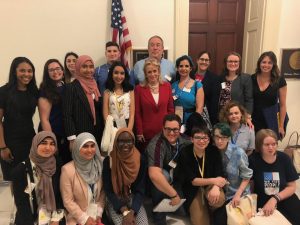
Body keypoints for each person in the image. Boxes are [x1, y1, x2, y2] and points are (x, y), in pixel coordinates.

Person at [174, 126, 226, 225]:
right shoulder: (185, 152)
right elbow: (193, 181)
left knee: (218, 200)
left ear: (209, 140)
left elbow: (220, 174)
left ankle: (210, 207)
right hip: (192, 189)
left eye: (205, 138)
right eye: (198, 138)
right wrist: (215, 181)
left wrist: (215, 187)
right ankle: (204, 208)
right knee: (200, 222)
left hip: (210, 186)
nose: (201, 141)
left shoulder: (214, 151)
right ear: (192, 139)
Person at [11, 131, 64, 225]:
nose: (48, 147)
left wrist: (56, 219)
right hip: (29, 219)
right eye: (43, 143)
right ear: (35, 144)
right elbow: (22, 204)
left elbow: (60, 196)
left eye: (52, 144)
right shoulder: (21, 170)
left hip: (53, 218)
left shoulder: (58, 166)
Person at [146, 114, 190, 225]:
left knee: (183, 214)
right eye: (168, 129)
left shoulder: (185, 140)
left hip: (176, 178)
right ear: (163, 128)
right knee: (162, 176)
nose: (171, 133)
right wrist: (174, 195)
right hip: (157, 179)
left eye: (175, 129)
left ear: (180, 129)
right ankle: (159, 214)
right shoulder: (156, 143)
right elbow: (154, 174)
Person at [249, 129, 300, 224]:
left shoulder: (284, 158)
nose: (271, 147)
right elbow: (250, 186)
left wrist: (275, 199)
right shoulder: (253, 160)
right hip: (263, 200)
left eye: (274, 144)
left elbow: (292, 187)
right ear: (259, 145)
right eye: (267, 145)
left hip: (283, 197)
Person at [0, 57, 38, 180]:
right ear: (14, 72)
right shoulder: (4, 92)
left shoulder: (33, 91)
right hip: (10, 143)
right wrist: (3, 147)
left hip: (30, 140)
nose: (26, 74)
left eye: (29, 71)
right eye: (22, 70)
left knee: (31, 177)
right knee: (14, 179)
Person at [103, 128, 149, 225]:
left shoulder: (141, 160)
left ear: (133, 141)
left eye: (129, 141)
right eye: (121, 141)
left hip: (134, 199)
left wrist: (132, 212)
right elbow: (108, 190)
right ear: (116, 142)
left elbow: (140, 189)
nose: (125, 144)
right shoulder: (109, 161)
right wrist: (124, 211)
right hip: (116, 200)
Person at [60, 132, 105, 225]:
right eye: (85, 146)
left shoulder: (100, 165)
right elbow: (68, 201)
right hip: (77, 217)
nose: (90, 150)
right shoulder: (67, 170)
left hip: (97, 215)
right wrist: (84, 219)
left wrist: (98, 213)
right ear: (77, 148)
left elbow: (102, 193)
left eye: (92, 146)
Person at [212, 123, 253, 225]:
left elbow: (247, 176)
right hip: (223, 193)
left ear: (228, 138)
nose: (219, 141)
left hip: (238, 194)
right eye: (217, 137)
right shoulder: (213, 151)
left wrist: (238, 194)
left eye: (223, 137)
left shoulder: (238, 152)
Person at [63, 55, 103, 148]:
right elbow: (67, 115)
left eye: (91, 67)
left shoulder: (95, 85)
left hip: (97, 133)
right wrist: (72, 138)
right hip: (80, 135)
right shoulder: (71, 87)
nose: (88, 70)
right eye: (84, 67)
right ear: (78, 68)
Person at [135, 59, 174, 151]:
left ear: (159, 71)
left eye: (154, 71)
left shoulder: (167, 86)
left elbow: (171, 109)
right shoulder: (139, 89)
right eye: (149, 72)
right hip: (146, 133)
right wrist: (139, 132)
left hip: (164, 131)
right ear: (145, 74)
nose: (152, 74)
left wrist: (170, 128)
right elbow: (137, 112)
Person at [38, 59, 71, 164]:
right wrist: (51, 142)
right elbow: (44, 119)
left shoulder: (66, 87)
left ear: (62, 70)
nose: (55, 72)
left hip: (66, 134)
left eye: (58, 68)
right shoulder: (45, 91)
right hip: (53, 134)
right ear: (47, 74)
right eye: (51, 70)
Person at [252, 51, 287, 139]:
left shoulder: (280, 80)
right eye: (264, 62)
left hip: (271, 120)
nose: (266, 65)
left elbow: (282, 105)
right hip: (254, 119)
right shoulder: (251, 78)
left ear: (273, 65)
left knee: (269, 147)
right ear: (259, 63)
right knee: (254, 148)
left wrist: (281, 126)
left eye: (269, 63)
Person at [219, 52, 253, 126]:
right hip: (223, 117)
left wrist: (248, 117)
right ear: (226, 63)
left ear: (239, 63)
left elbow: (249, 99)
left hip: (238, 117)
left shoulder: (246, 78)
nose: (233, 64)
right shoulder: (221, 78)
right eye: (230, 61)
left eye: (236, 61)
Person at [172, 55, 204, 125]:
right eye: (181, 66)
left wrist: (193, 122)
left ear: (190, 68)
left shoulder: (197, 85)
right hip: (175, 120)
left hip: (191, 120)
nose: (184, 68)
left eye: (186, 66)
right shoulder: (173, 85)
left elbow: (200, 107)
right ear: (177, 68)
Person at [103, 61, 134, 130]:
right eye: (116, 73)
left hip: (127, 124)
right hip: (112, 125)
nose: (119, 76)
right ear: (111, 74)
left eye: (122, 73)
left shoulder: (130, 91)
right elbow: (106, 115)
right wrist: (110, 130)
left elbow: (132, 114)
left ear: (125, 75)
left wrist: (128, 130)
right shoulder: (107, 92)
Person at [194, 51, 220, 125]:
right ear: (197, 60)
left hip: (205, 116)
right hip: (189, 113)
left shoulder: (214, 79)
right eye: (202, 59)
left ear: (209, 63)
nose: (204, 62)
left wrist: (213, 121)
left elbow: (214, 103)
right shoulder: (190, 75)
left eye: (206, 60)